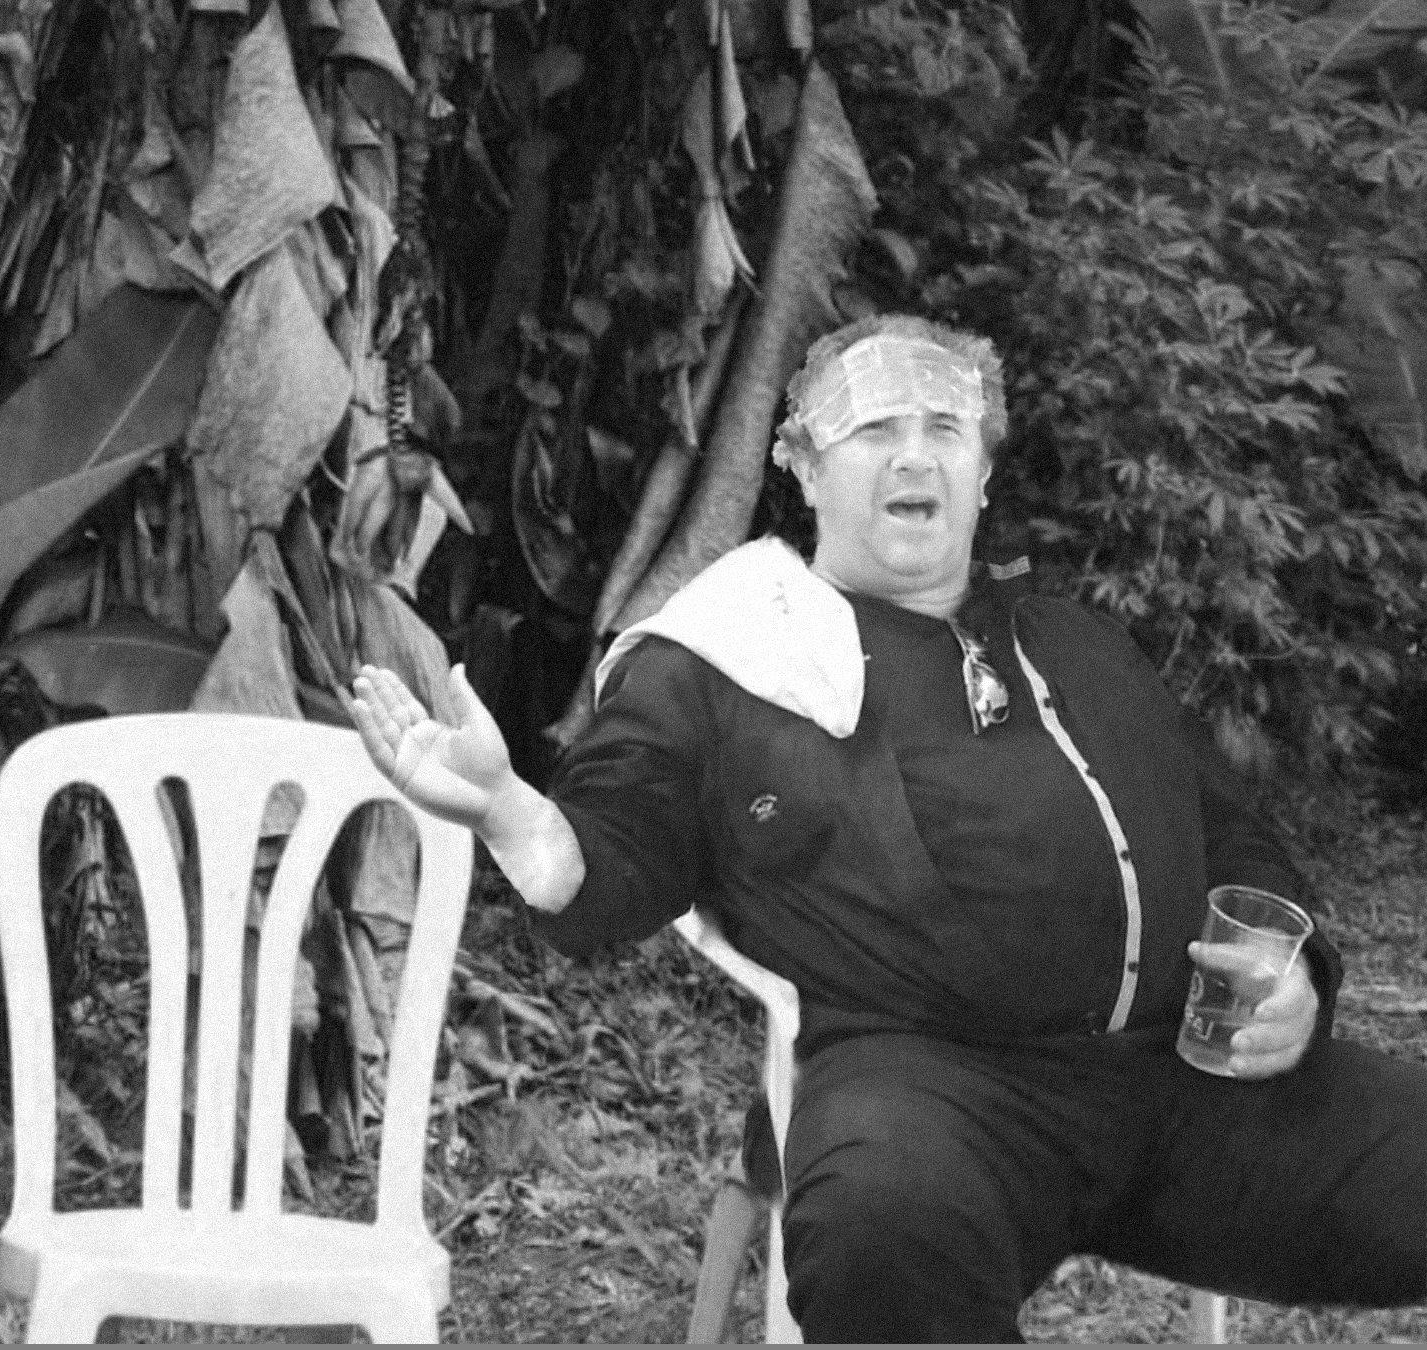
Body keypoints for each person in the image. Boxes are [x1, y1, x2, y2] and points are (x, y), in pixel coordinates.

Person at [349, 314, 1427, 1343]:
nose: (915, 454)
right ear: (804, 468)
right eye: (873, 426)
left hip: (1185, 1081)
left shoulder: (1075, 642)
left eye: (944, 426)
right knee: (878, 1235)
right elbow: (606, 860)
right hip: (934, 1095)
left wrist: (1294, 969)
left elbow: (1232, 834)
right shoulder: (726, 658)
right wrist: (511, 812)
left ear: (983, 471)